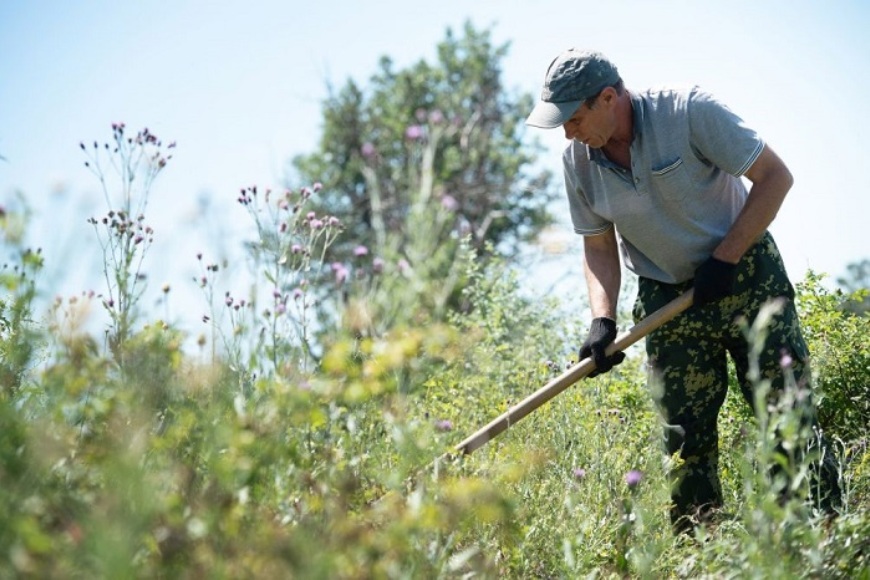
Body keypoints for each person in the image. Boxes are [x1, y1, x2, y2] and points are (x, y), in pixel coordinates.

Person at [526, 48, 841, 532]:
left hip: (746, 274)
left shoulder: (690, 111)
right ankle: (700, 550)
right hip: (667, 296)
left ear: (608, 97)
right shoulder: (578, 163)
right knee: (683, 436)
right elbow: (599, 248)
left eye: (572, 119)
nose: (568, 132)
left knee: (785, 412)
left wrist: (726, 257)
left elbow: (776, 178)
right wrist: (602, 319)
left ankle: (819, 536)